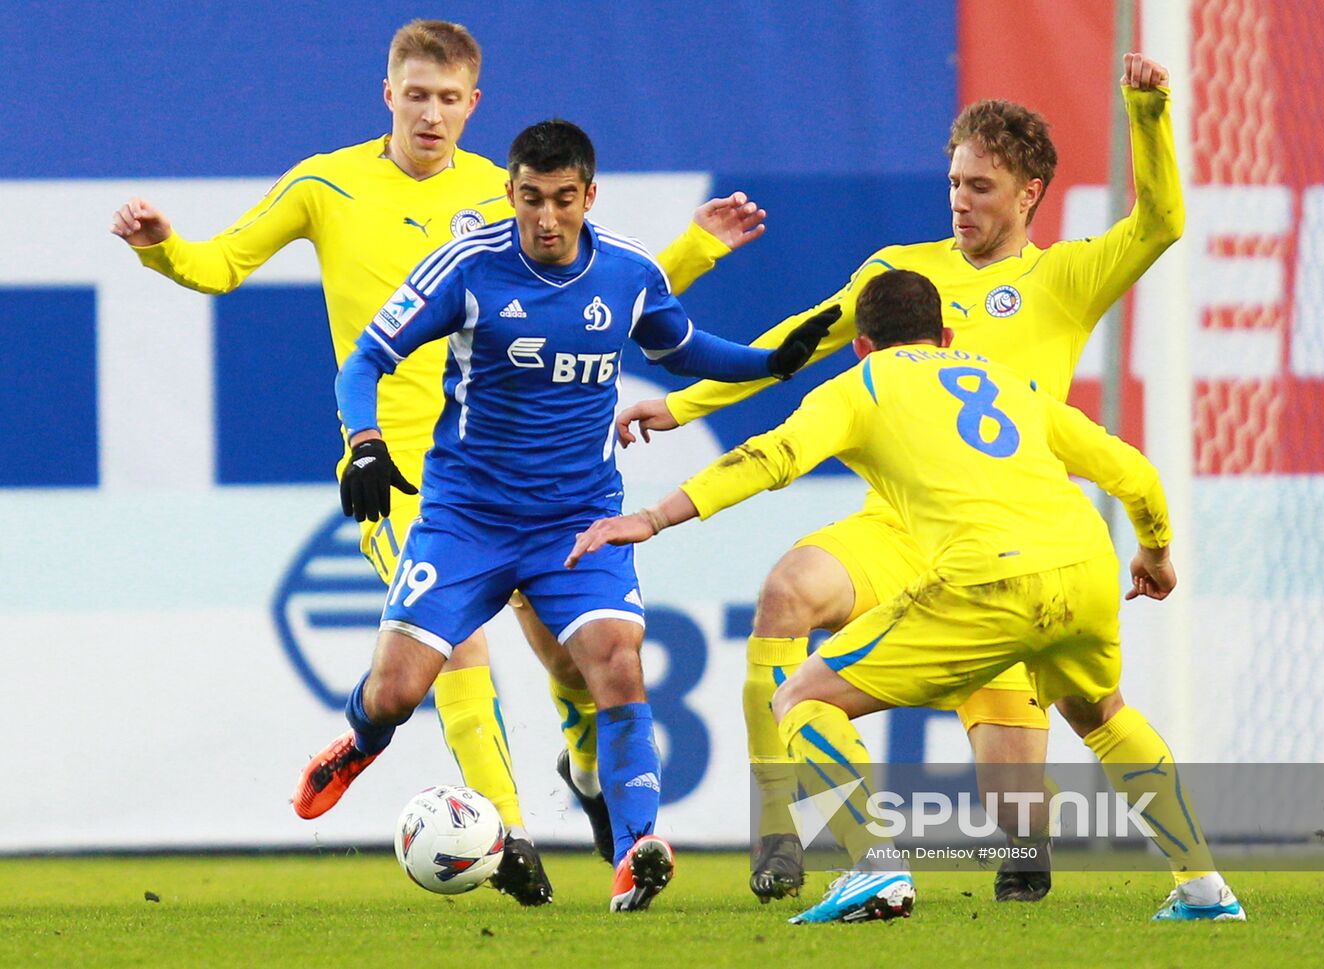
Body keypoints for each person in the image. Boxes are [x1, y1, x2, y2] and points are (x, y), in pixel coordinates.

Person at [109, 19, 767, 904]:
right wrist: (161, 244)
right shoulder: (325, 183)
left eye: (449, 99)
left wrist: (692, 252)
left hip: (529, 469)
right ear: (388, 94)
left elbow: (593, 295)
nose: (431, 114)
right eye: (416, 95)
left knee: (576, 662)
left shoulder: (508, 197)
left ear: (473, 106)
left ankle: (593, 785)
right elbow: (223, 265)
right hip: (408, 474)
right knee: (454, 653)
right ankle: (508, 834)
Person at [614, 52, 1183, 903]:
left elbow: (1161, 223)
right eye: (955, 181)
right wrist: (686, 405)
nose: (961, 200)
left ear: (1030, 194)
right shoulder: (901, 274)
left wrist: (1146, 114)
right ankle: (782, 826)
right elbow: (798, 341)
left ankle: (1078, 849)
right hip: (896, 529)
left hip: (1004, 544)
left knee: (1019, 827)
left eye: (982, 186)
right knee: (788, 592)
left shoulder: (1065, 278)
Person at [569, 269, 1246, 924]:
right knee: (1102, 713)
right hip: (1088, 569)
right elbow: (1133, 471)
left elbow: (768, 458)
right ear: (947, 337)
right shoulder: (1008, 383)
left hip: (989, 581)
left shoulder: (860, 384)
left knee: (801, 697)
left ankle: (875, 863)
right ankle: (1205, 885)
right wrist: (1154, 550)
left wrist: (654, 516)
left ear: (862, 344)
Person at [305, 118, 836, 913]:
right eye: (529, 199)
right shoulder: (468, 267)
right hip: (466, 518)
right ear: (510, 194)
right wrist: (368, 443)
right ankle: (359, 741)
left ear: (589, 195)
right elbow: (366, 359)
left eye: (562, 200)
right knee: (395, 691)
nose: (545, 219)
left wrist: (772, 360)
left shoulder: (625, 271)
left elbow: (682, 346)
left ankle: (635, 851)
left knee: (616, 659)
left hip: (575, 520)